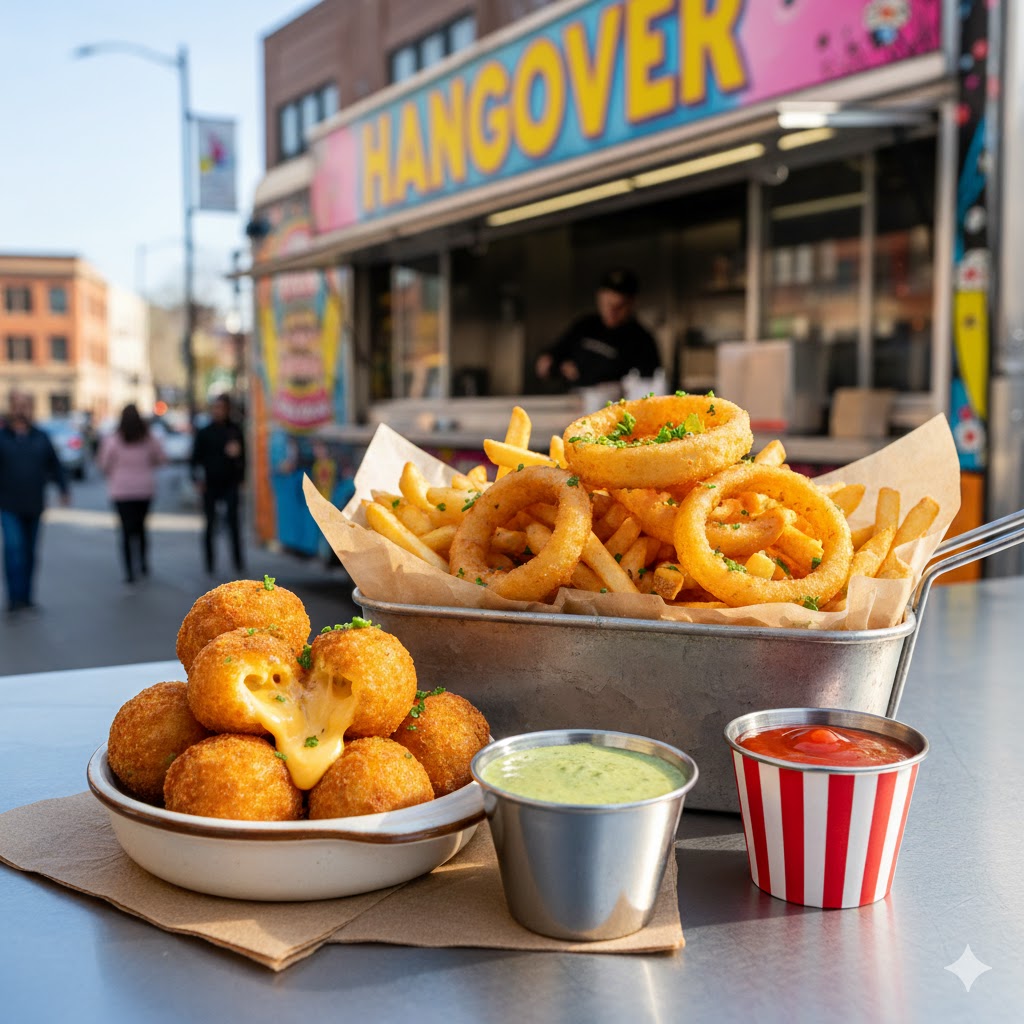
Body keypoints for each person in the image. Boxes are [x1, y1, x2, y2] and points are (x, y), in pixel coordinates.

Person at [0, 391, 70, 614]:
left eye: (25, 405)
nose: (21, 410)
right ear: (11, 408)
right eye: (17, 405)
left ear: (31, 408)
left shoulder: (41, 437)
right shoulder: (2, 437)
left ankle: (28, 598)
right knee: (14, 550)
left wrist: (63, 488)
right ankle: (14, 599)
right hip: (8, 505)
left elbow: (55, 465)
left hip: (34, 504)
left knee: (29, 552)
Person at [535, 268, 662, 389]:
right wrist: (557, 366)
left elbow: (649, 384)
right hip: (576, 401)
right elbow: (546, 362)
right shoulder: (584, 325)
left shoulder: (642, 339)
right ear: (599, 297)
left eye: (619, 307)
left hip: (615, 405)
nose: (612, 311)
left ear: (631, 303)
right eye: (607, 304)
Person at [97, 405, 166, 583]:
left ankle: (129, 571)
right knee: (141, 528)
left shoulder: (113, 439)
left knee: (126, 531)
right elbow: (161, 458)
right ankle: (143, 564)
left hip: (121, 491)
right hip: (144, 489)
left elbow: (103, 464)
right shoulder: (148, 438)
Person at [191, 394, 246, 575]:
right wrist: (197, 480)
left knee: (233, 524)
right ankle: (209, 564)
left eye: (221, 408)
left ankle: (238, 563)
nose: (218, 411)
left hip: (230, 483)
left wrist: (240, 476)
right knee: (210, 525)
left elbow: (243, 457)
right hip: (210, 484)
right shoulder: (205, 432)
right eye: (215, 407)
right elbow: (195, 459)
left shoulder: (235, 430)